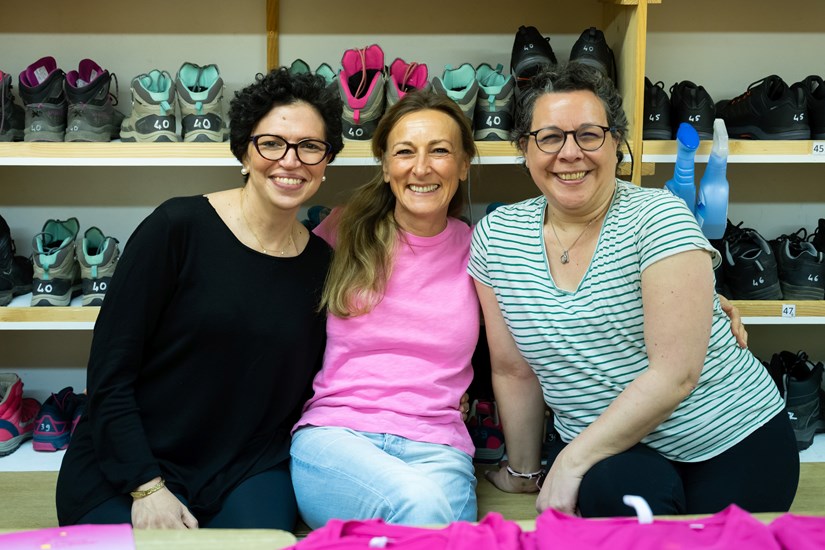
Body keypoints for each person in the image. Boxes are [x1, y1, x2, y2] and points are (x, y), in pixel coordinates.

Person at [469, 63, 799, 517]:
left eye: (589, 135)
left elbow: (675, 375)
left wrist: (570, 462)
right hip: (608, 447)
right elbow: (513, 371)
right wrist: (525, 471)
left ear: (617, 143)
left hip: (730, 436)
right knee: (620, 506)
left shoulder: (658, 218)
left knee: (711, 541)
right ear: (524, 149)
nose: (570, 153)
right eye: (549, 137)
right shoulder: (496, 237)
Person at [55, 69, 344, 529]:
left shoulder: (322, 264)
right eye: (271, 143)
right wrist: (146, 486)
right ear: (244, 152)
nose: (291, 161)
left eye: (310, 146)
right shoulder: (177, 228)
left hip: (243, 466)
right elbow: (110, 372)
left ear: (326, 161)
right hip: (133, 458)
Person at [289, 90, 479, 528]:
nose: (421, 168)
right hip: (338, 436)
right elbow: (279, 315)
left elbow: (512, 355)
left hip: (439, 445)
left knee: (439, 527)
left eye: (440, 151)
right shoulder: (343, 230)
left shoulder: (478, 249)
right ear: (385, 164)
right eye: (405, 152)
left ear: (464, 164)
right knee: (422, 510)